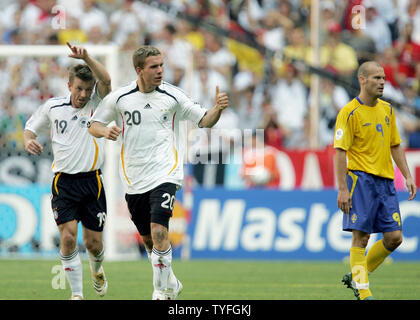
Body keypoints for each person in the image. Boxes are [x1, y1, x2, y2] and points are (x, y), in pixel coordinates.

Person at [88, 45, 229, 300]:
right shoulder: (120, 98)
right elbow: (93, 124)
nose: (160, 71)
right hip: (133, 179)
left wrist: (217, 109)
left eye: (162, 65)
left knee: (160, 231)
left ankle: (161, 292)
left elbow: (204, 120)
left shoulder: (173, 96)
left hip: (166, 173)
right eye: (154, 67)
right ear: (139, 70)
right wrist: (104, 131)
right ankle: (171, 283)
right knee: (150, 241)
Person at [23, 42, 112, 300]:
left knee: (95, 245)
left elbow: (106, 78)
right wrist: (29, 140)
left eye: (87, 89)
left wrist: (88, 58)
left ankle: (97, 270)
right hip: (63, 183)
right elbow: (30, 128)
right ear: (69, 85)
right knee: (69, 238)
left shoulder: (98, 103)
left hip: (92, 181)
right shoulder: (53, 107)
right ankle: (76, 294)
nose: (83, 94)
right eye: (79, 88)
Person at [333, 61, 417, 300]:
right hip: (360, 180)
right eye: (377, 78)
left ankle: (357, 276)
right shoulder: (349, 112)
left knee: (395, 238)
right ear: (363, 80)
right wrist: (342, 188)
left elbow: (395, 145)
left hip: (386, 182)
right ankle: (363, 291)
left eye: (383, 78)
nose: (382, 82)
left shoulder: (388, 110)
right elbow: (339, 151)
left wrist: (408, 175)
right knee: (361, 237)